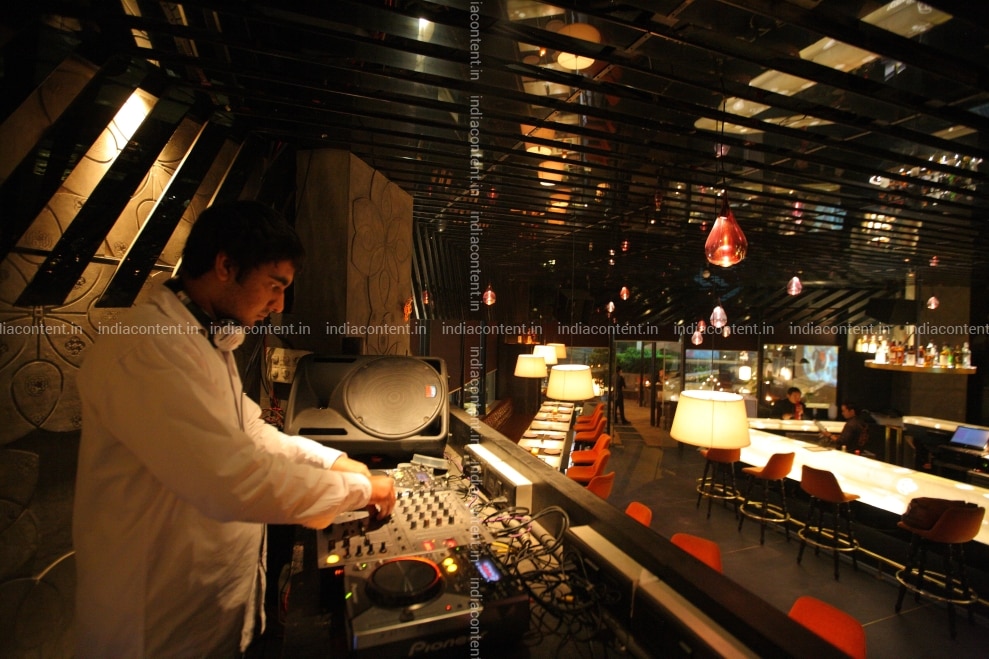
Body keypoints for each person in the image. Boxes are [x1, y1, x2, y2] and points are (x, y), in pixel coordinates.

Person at [73, 201, 396, 658]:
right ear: (226, 266)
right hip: (154, 633)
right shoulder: (148, 345)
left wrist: (336, 462)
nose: (279, 305)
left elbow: (252, 432)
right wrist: (360, 490)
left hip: (211, 621)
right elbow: (231, 478)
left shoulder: (204, 340)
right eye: (274, 286)